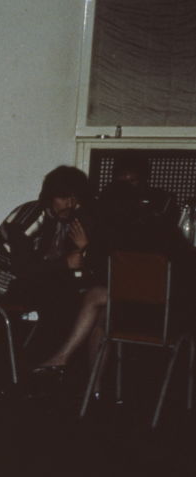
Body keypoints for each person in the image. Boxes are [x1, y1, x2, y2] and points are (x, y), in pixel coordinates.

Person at [32, 153, 184, 377]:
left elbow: (124, 268)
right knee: (100, 312)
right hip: (139, 301)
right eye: (122, 182)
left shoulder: (152, 221)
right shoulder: (121, 217)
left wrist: (86, 248)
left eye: (132, 182)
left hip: (160, 310)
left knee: (95, 298)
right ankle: (94, 389)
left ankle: (63, 358)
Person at [0, 166, 107, 388]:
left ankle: (58, 361)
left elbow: (63, 261)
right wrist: (65, 263)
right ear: (49, 197)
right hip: (4, 279)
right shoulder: (29, 220)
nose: (70, 204)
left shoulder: (66, 217)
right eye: (63, 197)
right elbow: (23, 269)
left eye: (74, 198)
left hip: (30, 275)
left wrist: (82, 248)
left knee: (78, 293)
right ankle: (47, 364)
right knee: (60, 297)